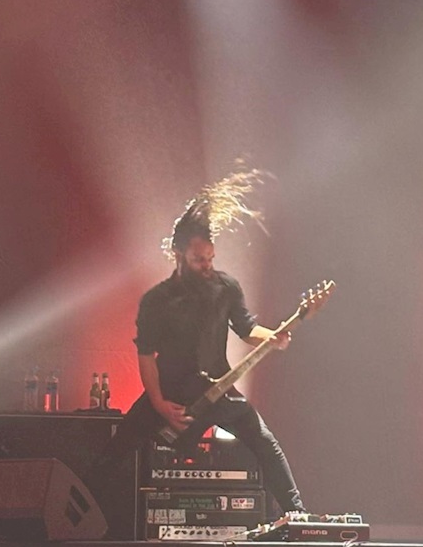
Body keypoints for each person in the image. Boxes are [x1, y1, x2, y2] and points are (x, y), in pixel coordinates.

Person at [116, 171, 304, 516]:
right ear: (178, 254)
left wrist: (273, 336)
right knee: (117, 450)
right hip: (171, 393)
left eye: (211, 259)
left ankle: (298, 516)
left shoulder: (226, 288)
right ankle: (95, 526)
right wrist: (158, 404)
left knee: (265, 443)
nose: (207, 266)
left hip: (219, 389)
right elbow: (146, 356)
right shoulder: (156, 300)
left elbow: (247, 329)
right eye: (198, 260)